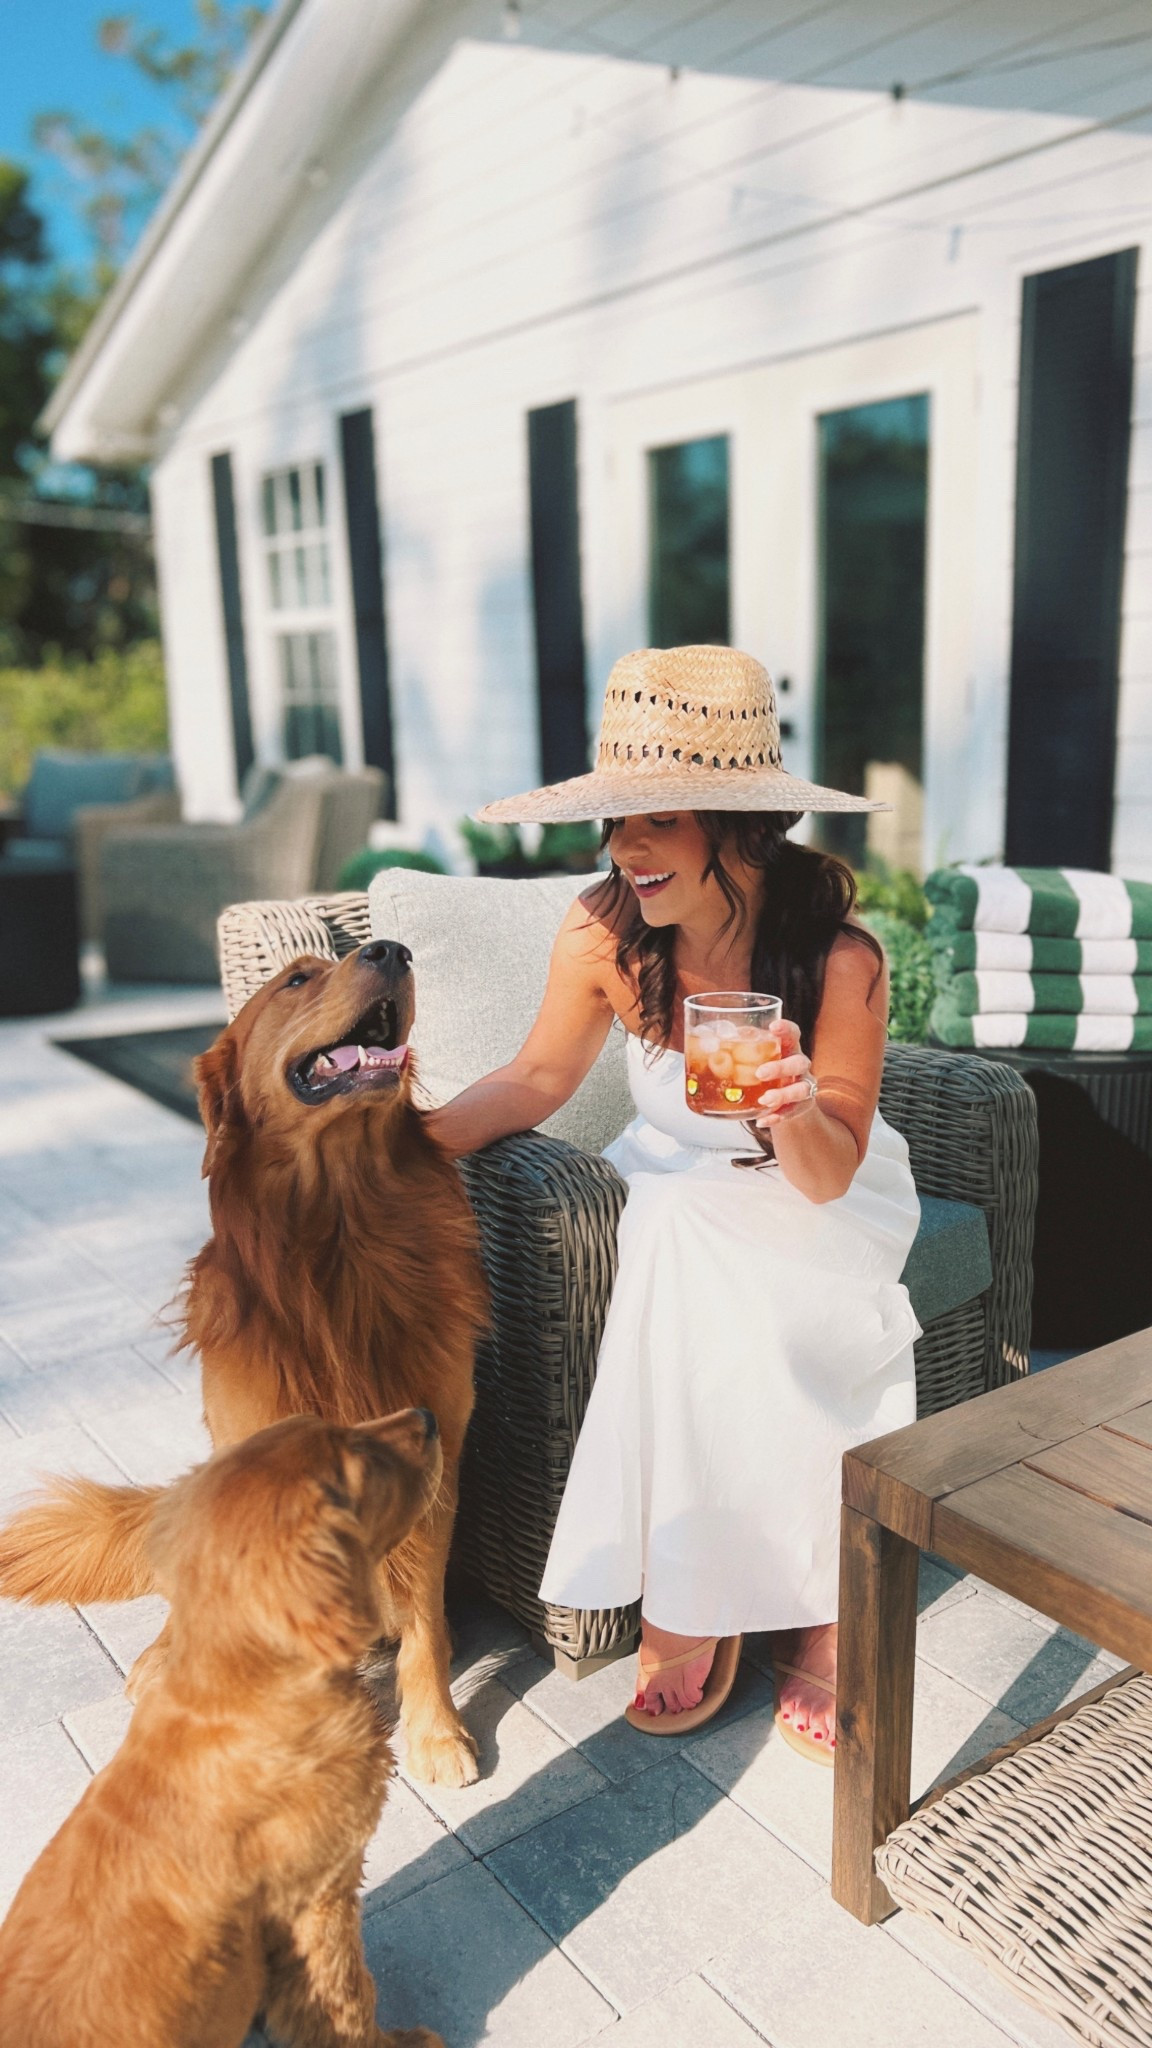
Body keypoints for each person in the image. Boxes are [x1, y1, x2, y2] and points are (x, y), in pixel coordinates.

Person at [428, 646, 920, 1760]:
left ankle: (741, 1597)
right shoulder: (604, 932)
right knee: (676, 1223)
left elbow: (830, 1168)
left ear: (736, 825)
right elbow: (536, 1081)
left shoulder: (839, 959)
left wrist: (790, 1102)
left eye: (653, 819)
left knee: (689, 1238)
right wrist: (393, 1146)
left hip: (822, 1184)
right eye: (614, 822)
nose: (623, 849)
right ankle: (778, 1584)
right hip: (675, 1177)